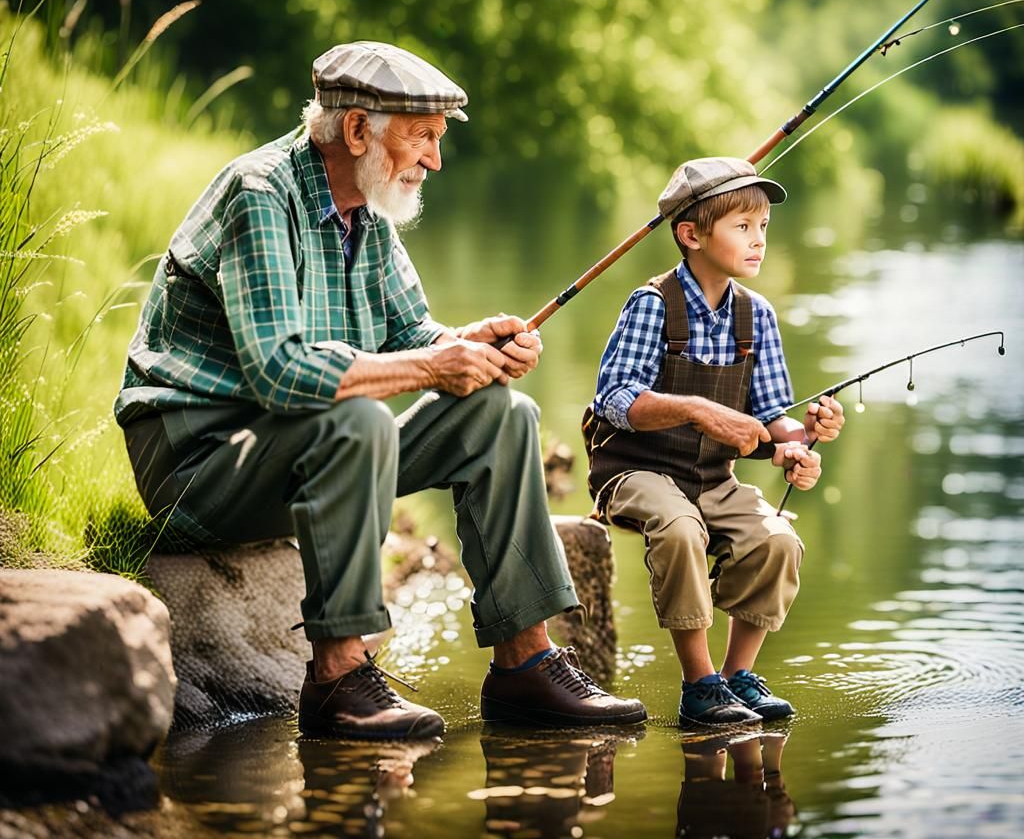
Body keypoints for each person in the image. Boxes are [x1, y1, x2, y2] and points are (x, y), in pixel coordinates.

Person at [115, 40, 646, 739]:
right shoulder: (259, 192)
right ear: (358, 130)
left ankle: (524, 664)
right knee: (359, 420)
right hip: (198, 465)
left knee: (501, 413)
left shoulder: (364, 211)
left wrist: (469, 344)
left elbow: (411, 334)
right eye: (422, 137)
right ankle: (338, 675)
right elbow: (280, 371)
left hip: (301, 456)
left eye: (437, 139)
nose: (435, 160)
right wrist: (435, 365)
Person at [583, 157, 845, 726]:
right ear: (691, 235)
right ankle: (699, 685)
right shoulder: (653, 305)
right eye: (742, 226)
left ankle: (736, 677)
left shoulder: (757, 315)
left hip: (712, 479)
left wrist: (802, 439)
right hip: (634, 472)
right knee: (680, 529)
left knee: (777, 541)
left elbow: (772, 418)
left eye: (763, 226)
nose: (759, 240)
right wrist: (697, 409)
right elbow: (615, 399)